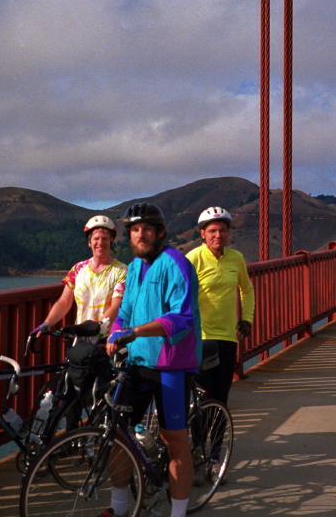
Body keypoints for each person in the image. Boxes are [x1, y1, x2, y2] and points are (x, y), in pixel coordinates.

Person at [105, 202, 202, 517]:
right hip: (137, 362)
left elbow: (181, 316)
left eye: (147, 228)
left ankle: (177, 513)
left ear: (161, 233)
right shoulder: (133, 267)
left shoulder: (177, 263)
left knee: (173, 438)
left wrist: (133, 332)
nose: (140, 235)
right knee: (119, 432)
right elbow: (125, 312)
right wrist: (115, 333)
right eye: (134, 229)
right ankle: (118, 508)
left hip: (171, 365)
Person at [186, 206, 254, 406]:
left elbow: (247, 289)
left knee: (221, 396)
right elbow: (180, 295)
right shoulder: (193, 258)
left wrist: (246, 320)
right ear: (203, 234)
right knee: (203, 396)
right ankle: (198, 438)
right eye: (212, 231)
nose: (218, 235)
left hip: (227, 336)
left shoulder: (236, 258)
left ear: (228, 233)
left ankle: (217, 438)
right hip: (201, 337)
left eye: (222, 230)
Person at [31, 215, 126, 338]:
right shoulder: (78, 268)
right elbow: (64, 302)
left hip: (108, 340)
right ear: (89, 242)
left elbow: (116, 306)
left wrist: (96, 328)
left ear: (112, 240)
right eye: (96, 238)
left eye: (105, 239)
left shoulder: (121, 271)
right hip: (81, 338)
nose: (100, 243)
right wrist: (47, 323)